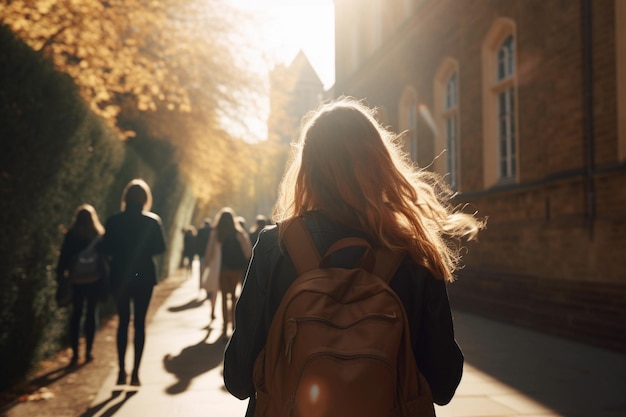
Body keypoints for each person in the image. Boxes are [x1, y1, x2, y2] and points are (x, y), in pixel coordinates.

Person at [223, 98, 484, 415]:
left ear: (308, 168)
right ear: (380, 164)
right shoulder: (412, 251)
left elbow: (238, 379)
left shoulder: (274, 247)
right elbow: (442, 385)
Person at [101, 179, 166, 386]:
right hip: (144, 276)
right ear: (145, 199)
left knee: (123, 322)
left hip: (120, 275)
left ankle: (121, 371)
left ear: (125, 197)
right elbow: (160, 248)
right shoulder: (152, 221)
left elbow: (106, 249)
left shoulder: (113, 221)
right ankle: (136, 374)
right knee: (139, 323)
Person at [55, 204, 106, 366]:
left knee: (76, 315)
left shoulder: (71, 235)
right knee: (92, 314)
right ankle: (89, 351)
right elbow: (104, 261)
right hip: (94, 280)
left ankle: (75, 353)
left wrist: (61, 278)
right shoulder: (98, 235)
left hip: (76, 281)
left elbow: (63, 259)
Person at [203, 207, 251, 335]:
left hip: (222, 269)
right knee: (234, 296)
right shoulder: (238, 232)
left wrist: (207, 264)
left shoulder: (217, 233)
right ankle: (234, 324)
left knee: (224, 297)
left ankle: (224, 328)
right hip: (236, 268)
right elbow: (248, 251)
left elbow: (209, 250)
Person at [195, 218, 212, 289]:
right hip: (210, 253)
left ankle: (201, 284)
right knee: (209, 270)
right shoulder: (212, 231)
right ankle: (207, 286)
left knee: (201, 270)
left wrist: (197, 251)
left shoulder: (200, 231)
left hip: (201, 253)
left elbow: (196, 242)